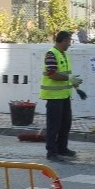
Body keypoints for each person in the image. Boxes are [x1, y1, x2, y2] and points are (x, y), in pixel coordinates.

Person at [40, 31, 81, 162]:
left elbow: (65, 74)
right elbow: (52, 74)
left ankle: (62, 148)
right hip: (54, 97)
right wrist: (69, 78)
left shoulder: (64, 54)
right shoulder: (51, 54)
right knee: (54, 126)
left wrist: (74, 84)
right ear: (63, 41)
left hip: (64, 96)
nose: (70, 44)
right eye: (69, 41)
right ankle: (51, 152)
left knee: (65, 124)